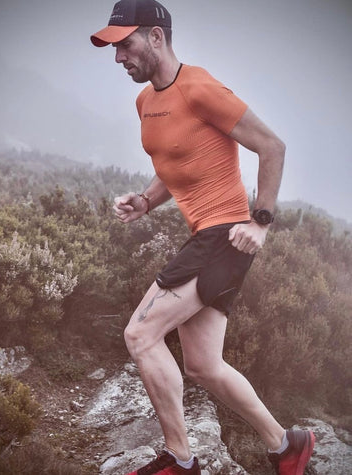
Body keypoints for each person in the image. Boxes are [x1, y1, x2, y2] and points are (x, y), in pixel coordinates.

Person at [90, 1, 315, 474]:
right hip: (208, 235)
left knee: (140, 333)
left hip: (224, 234)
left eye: (125, 45)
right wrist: (147, 201)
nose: (118, 58)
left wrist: (261, 222)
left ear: (156, 37)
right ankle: (286, 445)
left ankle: (181, 460)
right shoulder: (145, 100)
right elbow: (176, 163)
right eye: (113, 48)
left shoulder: (200, 88)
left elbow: (272, 146)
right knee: (203, 366)